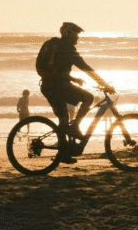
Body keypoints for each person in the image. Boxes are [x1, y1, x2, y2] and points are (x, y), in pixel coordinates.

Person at [37, 22, 114, 162]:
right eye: (76, 34)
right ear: (70, 34)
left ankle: (63, 154)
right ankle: (76, 126)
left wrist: (72, 78)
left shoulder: (56, 45)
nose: (78, 38)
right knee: (88, 97)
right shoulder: (68, 48)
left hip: (47, 86)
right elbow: (85, 67)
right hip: (58, 87)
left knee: (63, 121)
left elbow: (57, 70)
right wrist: (103, 84)